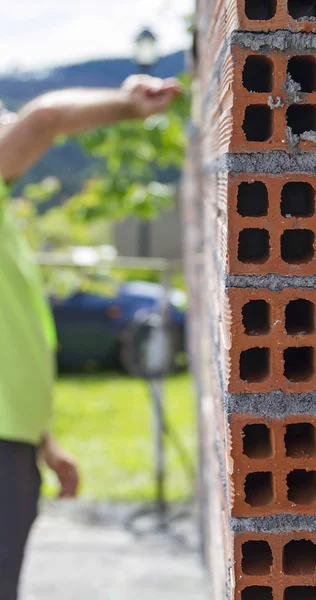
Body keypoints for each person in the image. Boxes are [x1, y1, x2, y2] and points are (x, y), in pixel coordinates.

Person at [0, 74, 181, 599]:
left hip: (14, 443)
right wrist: (130, 106)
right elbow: (46, 118)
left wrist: (44, 445)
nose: (10, 131)